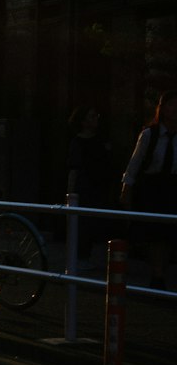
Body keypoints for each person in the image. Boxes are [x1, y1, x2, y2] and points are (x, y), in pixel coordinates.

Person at [119, 90, 177, 289]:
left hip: (171, 186)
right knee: (153, 232)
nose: (175, 109)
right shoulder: (149, 134)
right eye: (171, 105)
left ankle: (160, 270)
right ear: (162, 108)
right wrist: (127, 187)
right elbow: (135, 163)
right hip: (152, 187)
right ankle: (157, 273)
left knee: (168, 232)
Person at [65, 105, 113, 263]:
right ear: (83, 121)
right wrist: (70, 192)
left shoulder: (101, 140)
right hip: (84, 187)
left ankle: (87, 254)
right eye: (92, 116)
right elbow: (74, 168)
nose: (96, 119)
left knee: (95, 221)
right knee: (84, 223)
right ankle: (81, 255)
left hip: (99, 186)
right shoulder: (77, 142)